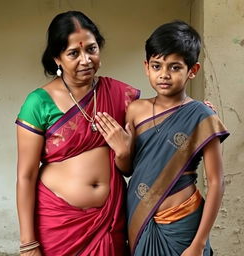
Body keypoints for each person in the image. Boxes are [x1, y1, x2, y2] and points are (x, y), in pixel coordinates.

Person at [95, 21, 229, 255]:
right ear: (146, 67)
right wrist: (123, 153)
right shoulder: (135, 110)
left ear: (193, 70)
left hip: (183, 223)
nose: (164, 75)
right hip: (140, 217)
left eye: (175, 67)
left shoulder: (201, 115)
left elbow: (217, 182)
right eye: (157, 66)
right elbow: (129, 170)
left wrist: (198, 244)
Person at [15, 11, 140, 255]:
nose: (86, 60)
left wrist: (124, 152)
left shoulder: (120, 95)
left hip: (109, 223)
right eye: (74, 53)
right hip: (59, 225)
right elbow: (26, 177)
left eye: (91, 49)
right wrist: (28, 243)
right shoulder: (38, 103)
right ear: (57, 59)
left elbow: (130, 169)